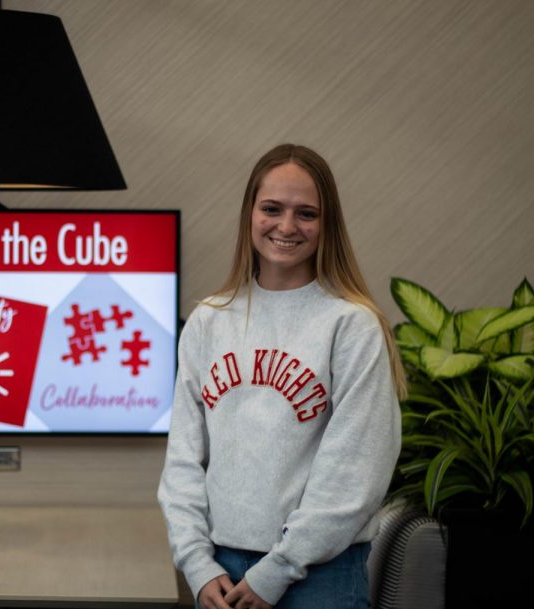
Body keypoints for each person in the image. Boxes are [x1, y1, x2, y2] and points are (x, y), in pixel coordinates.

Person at [158, 144, 405, 609]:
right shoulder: (209, 321)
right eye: (272, 208)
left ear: (326, 223)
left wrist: (278, 570)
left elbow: (356, 472)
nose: (286, 227)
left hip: (319, 575)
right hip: (218, 571)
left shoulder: (351, 324)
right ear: (250, 213)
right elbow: (183, 461)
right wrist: (195, 561)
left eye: (306, 213)